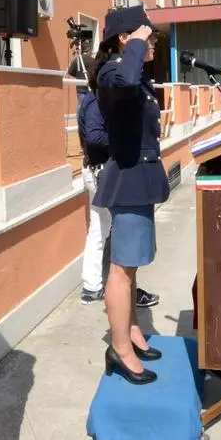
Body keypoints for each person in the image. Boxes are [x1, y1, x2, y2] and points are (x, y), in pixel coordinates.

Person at [91, 6, 170, 384]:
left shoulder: (134, 75)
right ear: (125, 38)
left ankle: (132, 332)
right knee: (121, 270)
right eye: (147, 36)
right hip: (128, 180)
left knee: (132, 265)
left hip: (141, 179)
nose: (152, 42)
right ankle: (119, 348)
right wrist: (136, 45)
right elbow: (123, 80)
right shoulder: (114, 72)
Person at [76, 70, 160, 308]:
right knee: (113, 230)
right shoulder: (95, 102)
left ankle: (101, 286)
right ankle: (109, 288)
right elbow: (94, 136)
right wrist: (124, 143)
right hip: (101, 170)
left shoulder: (98, 99)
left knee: (104, 228)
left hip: (101, 169)